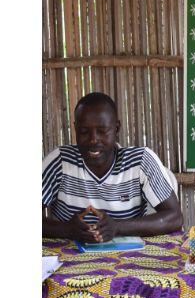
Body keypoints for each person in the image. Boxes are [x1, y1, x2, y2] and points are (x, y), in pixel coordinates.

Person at [42, 92, 183, 241]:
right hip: (68, 258)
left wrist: (117, 227)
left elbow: (174, 218)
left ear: (116, 129)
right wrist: (66, 230)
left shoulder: (140, 162)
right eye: (84, 131)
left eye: (102, 131)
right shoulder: (60, 162)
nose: (93, 140)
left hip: (129, 259)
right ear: (76, 129)